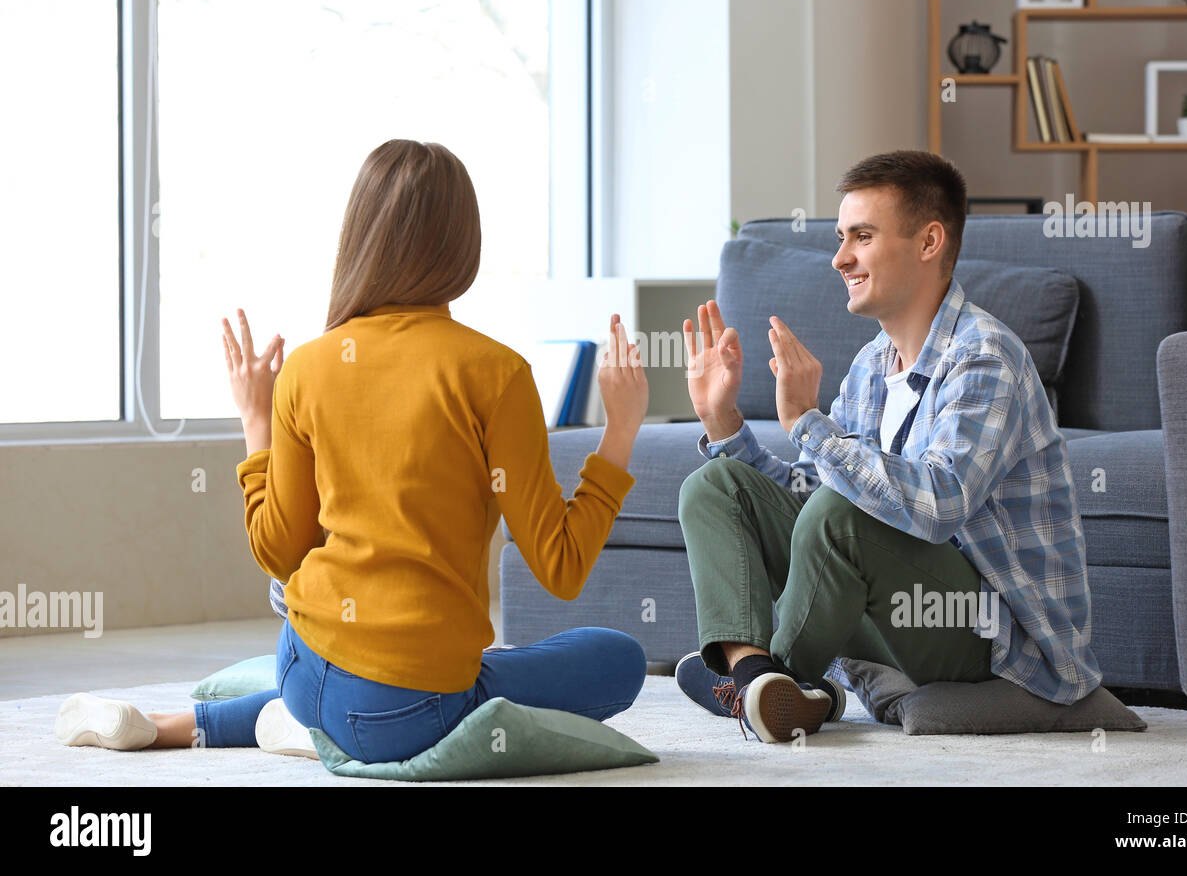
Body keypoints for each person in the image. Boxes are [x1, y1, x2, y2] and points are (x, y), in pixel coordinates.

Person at [55, 139, 650, 761]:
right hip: (415, 702)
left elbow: (281, 553)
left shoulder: (309, 368)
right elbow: (560, 565)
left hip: (303, 664)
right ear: (464, 241)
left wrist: (256, 418)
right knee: (616, 659)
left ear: (360, 235)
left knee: (355, 672)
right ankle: (346, 727)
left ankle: (190, 724)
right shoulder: (497, 374)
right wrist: (620, 431)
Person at [674, 149, 1101, 743]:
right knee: (714, 486)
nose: (839, 257)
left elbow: (939, 505)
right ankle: (756, 676)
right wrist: (722, 423)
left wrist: (807, 421)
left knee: (840, 514)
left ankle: (774, 687)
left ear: (928, 242)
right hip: (895, 618)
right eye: (841, 237)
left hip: (990, 636)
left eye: (862, 237)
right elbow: (805, 501)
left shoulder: (984, 358)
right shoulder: (871, 367)